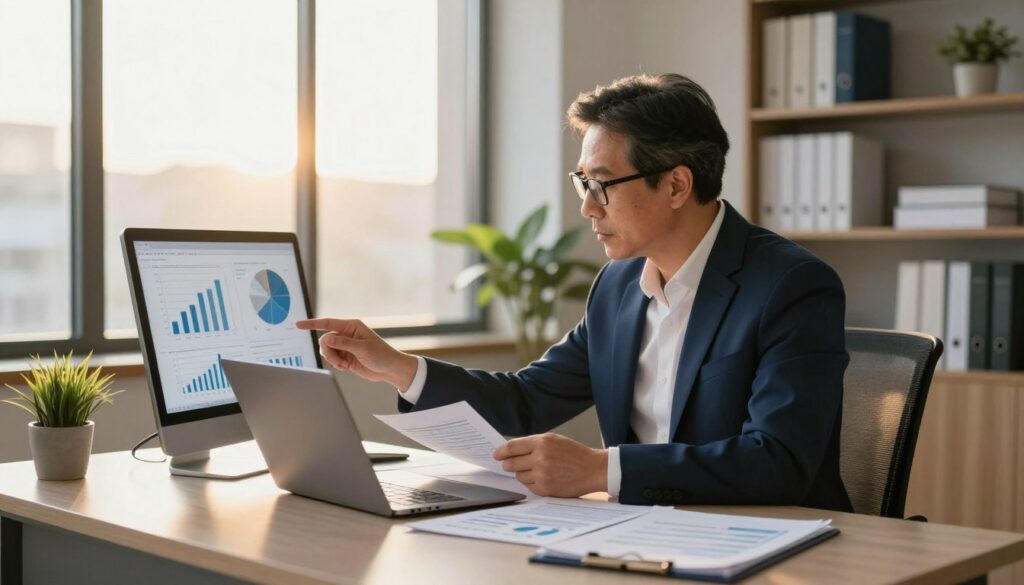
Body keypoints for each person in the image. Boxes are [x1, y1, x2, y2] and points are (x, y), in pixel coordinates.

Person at [298, 73, 853, 511]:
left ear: (678, 184)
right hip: (647, 533)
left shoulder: (790, 286)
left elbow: (778, 460)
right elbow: (525, 401)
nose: (587, 207)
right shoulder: (617, 287)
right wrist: (396, 366)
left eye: (602, 185)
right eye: (582, 183)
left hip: (774, 544)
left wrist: (599, 470)